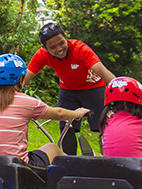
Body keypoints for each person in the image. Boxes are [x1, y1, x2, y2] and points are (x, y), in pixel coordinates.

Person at [0, 53, 90, 167]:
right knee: (53, 148)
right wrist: (78, 113)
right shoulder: (26, 102)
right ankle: (77, 170)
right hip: (14, 166)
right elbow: (59, 113)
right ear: (20, 79)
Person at [22, 22, 116, 156]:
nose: (59, 49)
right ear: (45, 48)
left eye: (61, 43)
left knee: (104, 126)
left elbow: (101, 70)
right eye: (52, 47)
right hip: (68, 90)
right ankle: (70, 161)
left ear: (66, 37)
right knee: (66, 127)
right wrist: (7, 94)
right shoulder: (42, 55)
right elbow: (25, 78)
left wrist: (121, 89)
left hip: (93, 87)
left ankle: (110, 159)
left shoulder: (80, 49)